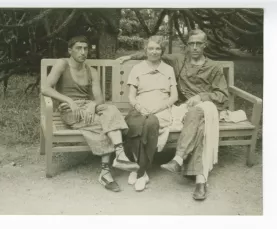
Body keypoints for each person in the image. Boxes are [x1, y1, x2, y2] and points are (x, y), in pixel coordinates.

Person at [117, 29, 229, 200]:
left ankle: (179, 160)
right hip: (183, 109)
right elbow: (152, 53)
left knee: (197, 114)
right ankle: (199, 178)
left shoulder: (214, 67)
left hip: (206, 107)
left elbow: (222, 95)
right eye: (191, 43)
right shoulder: (179, 60)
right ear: (187, 46)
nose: (195, 47)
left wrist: (202, 96)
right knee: (198, 127)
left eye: (199, 43)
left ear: (205, 45)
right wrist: (130, 57)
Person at [42, 35, 139, 192]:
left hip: (88, 108)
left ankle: (120, 154)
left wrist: (93, 105)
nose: (83, 52)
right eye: (78, 48)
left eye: (86, 48)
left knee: (111, 109)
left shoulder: (91, 71)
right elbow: (45, 88)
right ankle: (106, 172)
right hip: (70, 110)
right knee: (105, 123)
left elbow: (99, 98)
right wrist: (69, 101)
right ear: (70, 50)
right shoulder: (62, 64)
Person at [123, 36, 178, 192]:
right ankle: (141, 170)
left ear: (162, 51)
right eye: (151, 48)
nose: (154, 52)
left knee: (151, 123)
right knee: (134, 124)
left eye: (158, 49)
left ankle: (139, 172)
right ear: (145, 50)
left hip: (161, 108)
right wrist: (140, 108)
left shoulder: (168, 69)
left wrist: (158, 108)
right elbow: (131, 97)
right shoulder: (137, 69)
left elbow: (174, 96)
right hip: (141, 107)